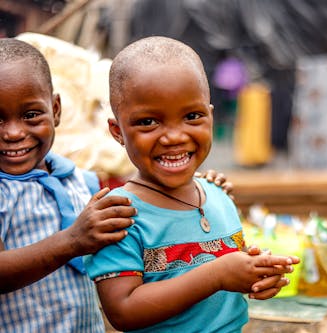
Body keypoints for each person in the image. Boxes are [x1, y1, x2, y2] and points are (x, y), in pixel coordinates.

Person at [0, 37, 234, 333]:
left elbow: (149, 189)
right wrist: (71, 242)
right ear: (117, 131)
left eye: (31, 115)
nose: (13, 132)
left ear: (55, 110)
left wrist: (200, 189)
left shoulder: (82, 182)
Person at [84, 36, 300, 332]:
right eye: (148, 122)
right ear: (117, 131)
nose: (174, 136)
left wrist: (258, 275)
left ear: (211, 117)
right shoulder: (118, 215)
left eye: (192, 116)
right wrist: (217, 275)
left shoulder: (218, 194)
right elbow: (123, 311)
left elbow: (226, 285)